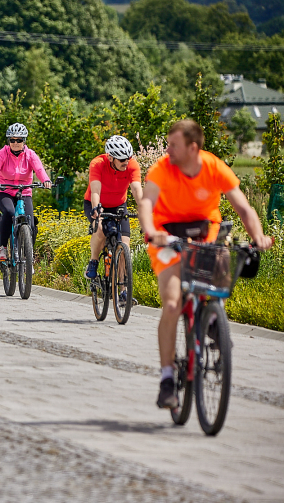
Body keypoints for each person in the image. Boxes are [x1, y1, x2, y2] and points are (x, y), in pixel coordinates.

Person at [138, 119, 273, 409]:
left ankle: (214, 320)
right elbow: (147, 203)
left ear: (192, 147)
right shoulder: (162, 168)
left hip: (204, 233)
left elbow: (243, 207)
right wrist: (152, 232)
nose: (168, 149)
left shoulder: (213, 167)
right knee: (173, 304)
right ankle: (166, 379)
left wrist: (258, 236)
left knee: (221, 265)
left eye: (173, 144)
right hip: (167, 238)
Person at [0, 123, 52, 263]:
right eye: (12, 140)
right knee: (9, 212)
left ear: (24, 141)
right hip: (4, 190)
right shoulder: (3, 153)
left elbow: (39, 169)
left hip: (24, 190)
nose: (15, 143)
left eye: (19, 140)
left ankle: (29, 255)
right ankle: (3, 247)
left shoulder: (30, 154)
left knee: (30, 221)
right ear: (8, 141)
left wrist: (46, 180)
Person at [83, 135, 143, 281]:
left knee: (124, 247)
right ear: (110, 158)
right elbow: (95, 189)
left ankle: (122, 291)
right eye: (122, 160)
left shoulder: (132, 165)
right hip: (97, 203)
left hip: (119, 205)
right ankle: (93, 261)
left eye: (128, 158)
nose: (126, 162)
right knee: (100, 230)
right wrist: (97, 208)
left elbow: (136, 190)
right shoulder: (97, 164)